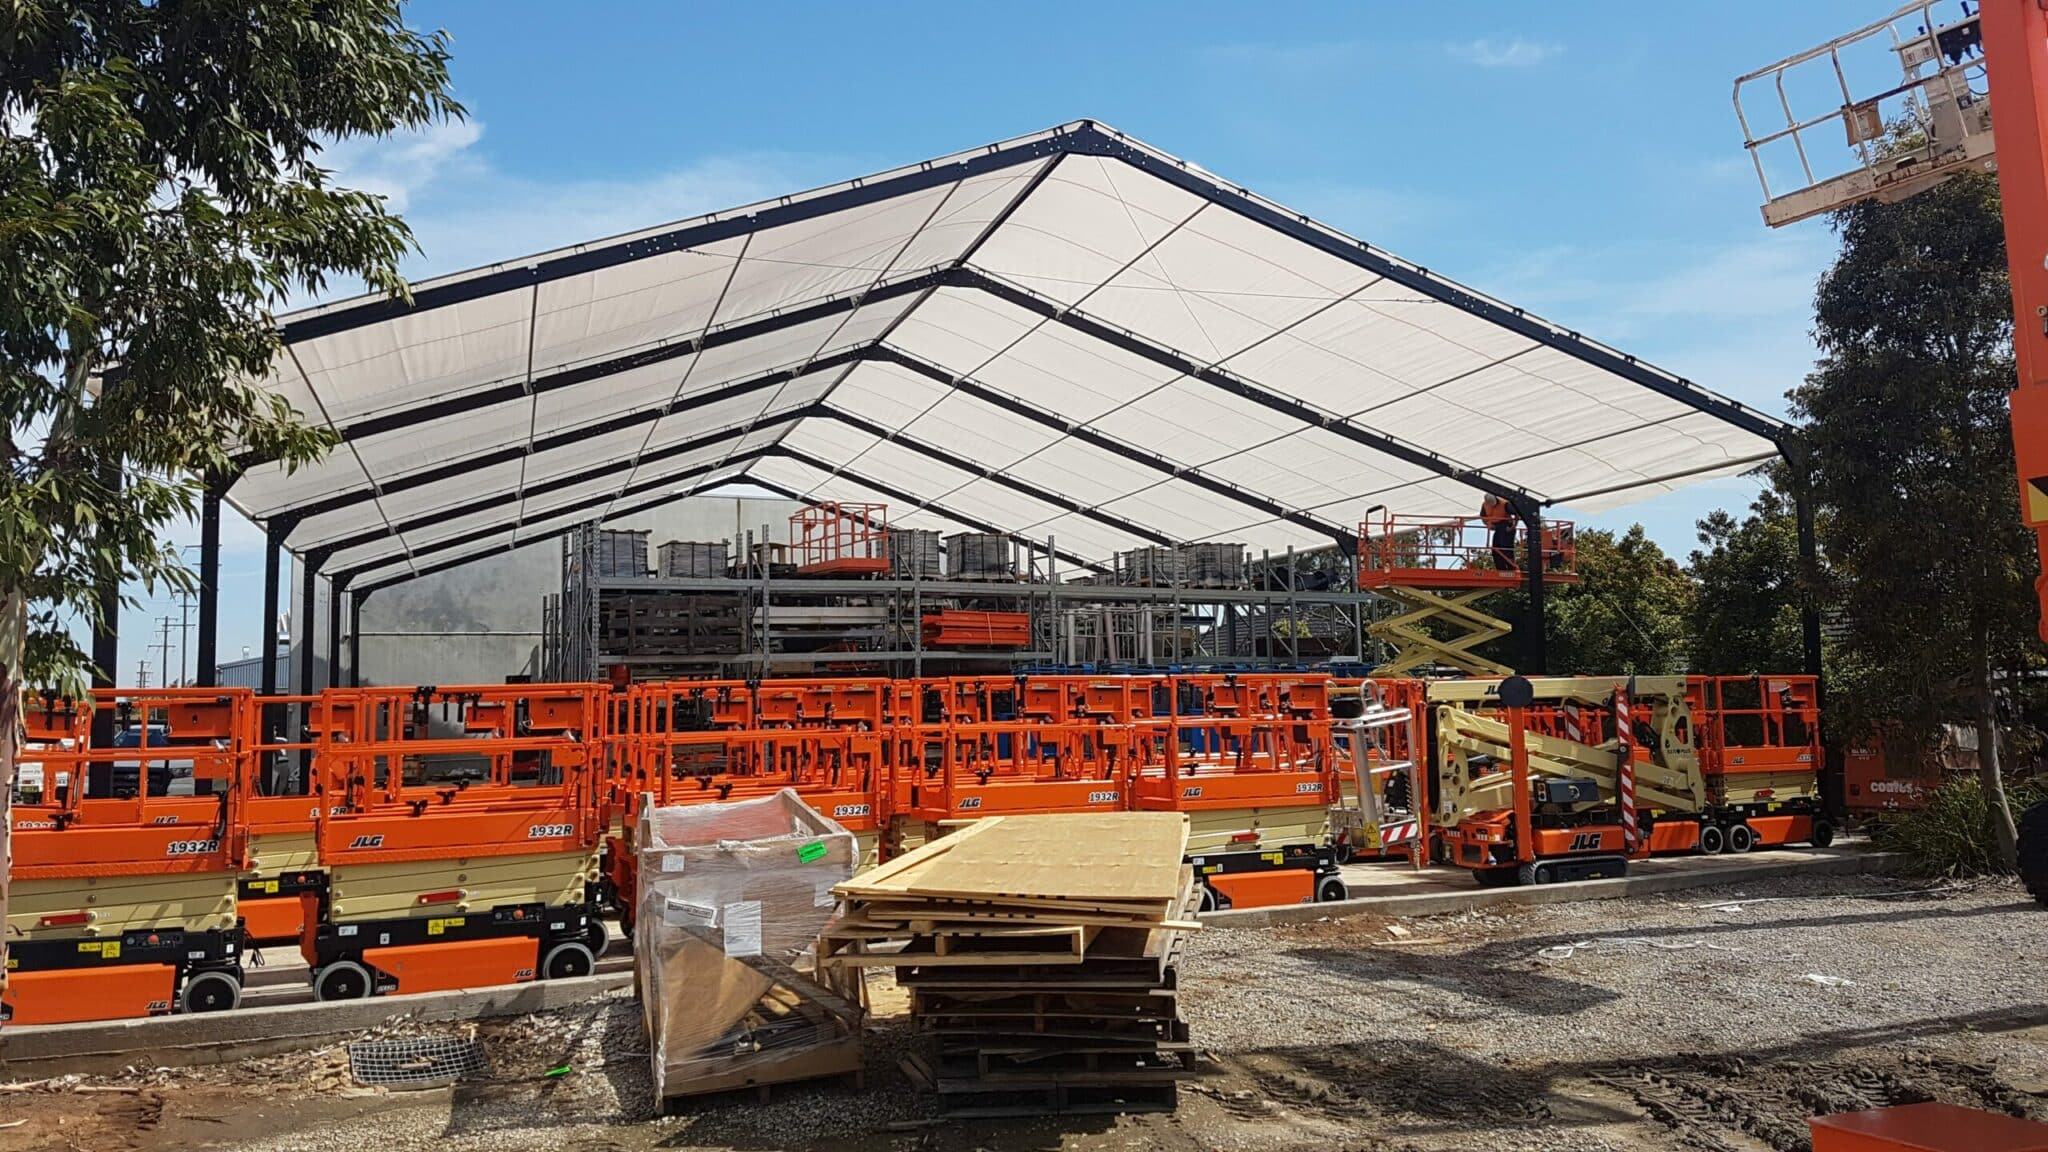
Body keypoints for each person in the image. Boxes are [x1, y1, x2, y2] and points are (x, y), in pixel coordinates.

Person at [1480, 495, 1517, 571]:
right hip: (1497, 528)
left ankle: (1511, 569)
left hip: (1506, 526)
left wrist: (1513, 526)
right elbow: (1483, 516)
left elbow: (1517, 513)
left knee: (1506, 548)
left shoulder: (1505, 504)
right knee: (1496, 549)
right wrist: (1488, 524)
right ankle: (1500, 570)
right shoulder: (1485, 505)